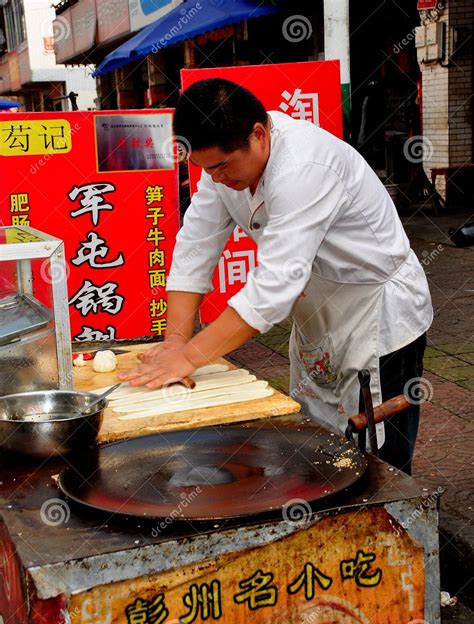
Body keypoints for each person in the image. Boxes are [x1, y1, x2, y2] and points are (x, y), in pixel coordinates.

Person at [119, 78, 433, 474]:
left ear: (258, 134)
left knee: (377, 462)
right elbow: (195, 247)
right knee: (318, 446)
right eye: (203, 168)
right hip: (317, 314)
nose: (214, 178)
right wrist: (175, 342)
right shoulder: (220, 169)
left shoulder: (304, 166)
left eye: (220, 166)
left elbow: (273, 287)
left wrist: (189, 357)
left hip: (376, 314)